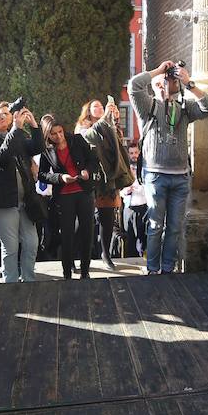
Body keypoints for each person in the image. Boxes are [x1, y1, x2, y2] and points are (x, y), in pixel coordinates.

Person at [128, 61, 208, 274]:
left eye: (170, 81)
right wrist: (158, 71)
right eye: (162, 82)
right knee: (155, 226)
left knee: (175, 228)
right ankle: (152, 269)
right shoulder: (147, 106)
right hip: (155, 176)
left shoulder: (184, 109)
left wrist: (190, 83)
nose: (167, 84)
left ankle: (168, 269)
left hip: (180, 178)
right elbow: (133, 85)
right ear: (155, 85)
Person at [0, 102, 44, 283]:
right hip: (5, 204)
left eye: (4, 115)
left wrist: (34, 126)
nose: (2, 117)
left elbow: (37, 148)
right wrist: (15, 129)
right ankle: (10, 285)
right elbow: (0, 157)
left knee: (32, 243)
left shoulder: (16, 136)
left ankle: (29, 280)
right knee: (10, 247)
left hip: (26, 201)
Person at [38, 115, 99, 279]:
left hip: (84, 192)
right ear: (47, 135)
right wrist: (59, 178)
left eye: (60, 131)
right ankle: (66, 273)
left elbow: (93, 160)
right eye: (53, 134)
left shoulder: (77, 140)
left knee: (87, 232)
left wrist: (87, 171)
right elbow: (42, 175)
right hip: (64, 197)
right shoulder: (46, 150)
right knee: (66, 234)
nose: (59, 136)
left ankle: (85, 272)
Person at [76, 98, 133, 271]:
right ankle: (77, 257)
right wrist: (105, 120)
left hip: (108, 181)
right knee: (83, 222)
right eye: (95, 106)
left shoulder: (109, 126)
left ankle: (105, 254)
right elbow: (89, 137)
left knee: (107, 220)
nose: (100, 108)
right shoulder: (82, 127)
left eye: (102, 106)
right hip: (89, 181)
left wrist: (113, 122)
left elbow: (117, 149)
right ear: (88, 110)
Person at [120, 141, 148, 257]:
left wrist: (138, 187)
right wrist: (125, 191)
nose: (134, 155)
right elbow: (120, 191)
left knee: (142, 239)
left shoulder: (145, 168)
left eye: (136, 152)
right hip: (129, 208)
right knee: (129, 238)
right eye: (131, 153)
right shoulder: (124, 169)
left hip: (143, 207)